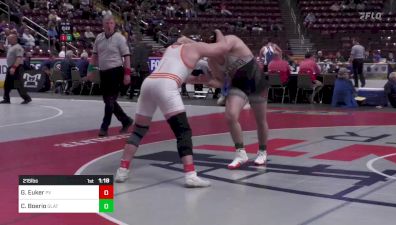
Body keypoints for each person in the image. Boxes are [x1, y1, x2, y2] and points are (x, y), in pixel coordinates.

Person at [114, 31, 229, 188]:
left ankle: (122, 169)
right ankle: (190, 175)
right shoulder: (196, 47)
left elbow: (176, 72)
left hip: (149, 83)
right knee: (183, 131)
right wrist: (218, 32)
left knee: (138, 130)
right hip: (166, 84)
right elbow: (222, 48)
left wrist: (194, 79)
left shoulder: (170, 49)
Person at [208, 32, 269, 169]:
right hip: (238, 85)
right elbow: (221, 80)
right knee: (230, 116)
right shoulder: (211, 61)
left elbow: (223, 46)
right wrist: (213, 82)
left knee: (260, 119)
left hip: (257, 82)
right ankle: (240, 153)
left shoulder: (232, 40)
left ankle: (262, 151)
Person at [87, 15, 133, 137]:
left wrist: (127, 74)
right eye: (107, 23)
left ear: (114, 24)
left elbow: (127, 56)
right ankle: (125, 120)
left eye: (111, 23)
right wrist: (90, 70)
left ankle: (104, 127)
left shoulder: (120, 38)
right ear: (103, 24)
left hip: (116, 71)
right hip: (104, 72)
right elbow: (94, 56)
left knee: (110, 100)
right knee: (107, 100)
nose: (109, 25)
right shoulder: (99, 38)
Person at [0, 34, 31, 104]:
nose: (8, 40)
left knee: (18, 84)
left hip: (17, 67)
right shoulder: (11, 47)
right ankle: (6, 99)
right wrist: (1, 42)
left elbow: (19, 58)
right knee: (7, 84)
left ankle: (26, 98)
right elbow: (2, 50)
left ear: (14, 39)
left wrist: (14, 67)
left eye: (10, 39)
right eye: (8, 39)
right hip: (11, 67)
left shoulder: (18, 47)